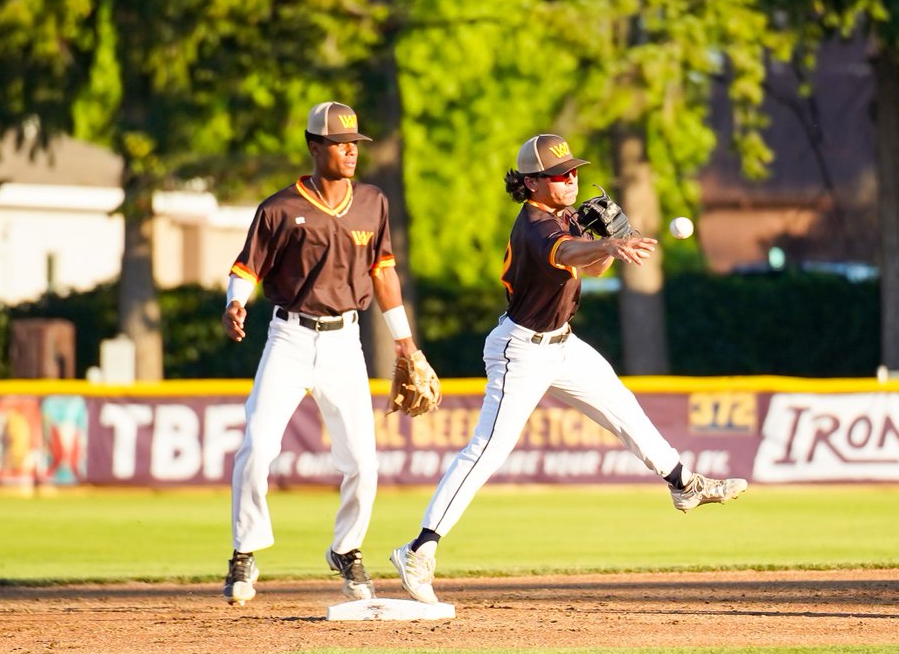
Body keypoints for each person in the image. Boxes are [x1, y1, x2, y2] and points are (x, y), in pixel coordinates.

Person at [389, 133, 747, 604]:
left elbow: (588, 268)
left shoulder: (562, 217)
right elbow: (568, 254)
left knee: (623, 407)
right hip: (520, 350)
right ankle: (418, 549)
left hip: (562, 344)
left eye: (574, 171)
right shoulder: (536, 226)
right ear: (533, 183)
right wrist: (606, 247)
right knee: (487, 451)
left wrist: (607, 245)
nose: (572, 179)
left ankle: (683, 484)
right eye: (560, 175)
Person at [221, 101, 433, 606]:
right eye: (339, 143)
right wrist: (234, 302)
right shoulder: (278, 208)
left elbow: (383, 271)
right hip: (289, 338)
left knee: (363, 459)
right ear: (314, 147)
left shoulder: (373, 202)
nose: (349, 152)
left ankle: (347, 549)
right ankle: (245, 551)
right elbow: (246, 267)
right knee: (257, 446)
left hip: (345, 341)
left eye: (354, 144)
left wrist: (404, 340)